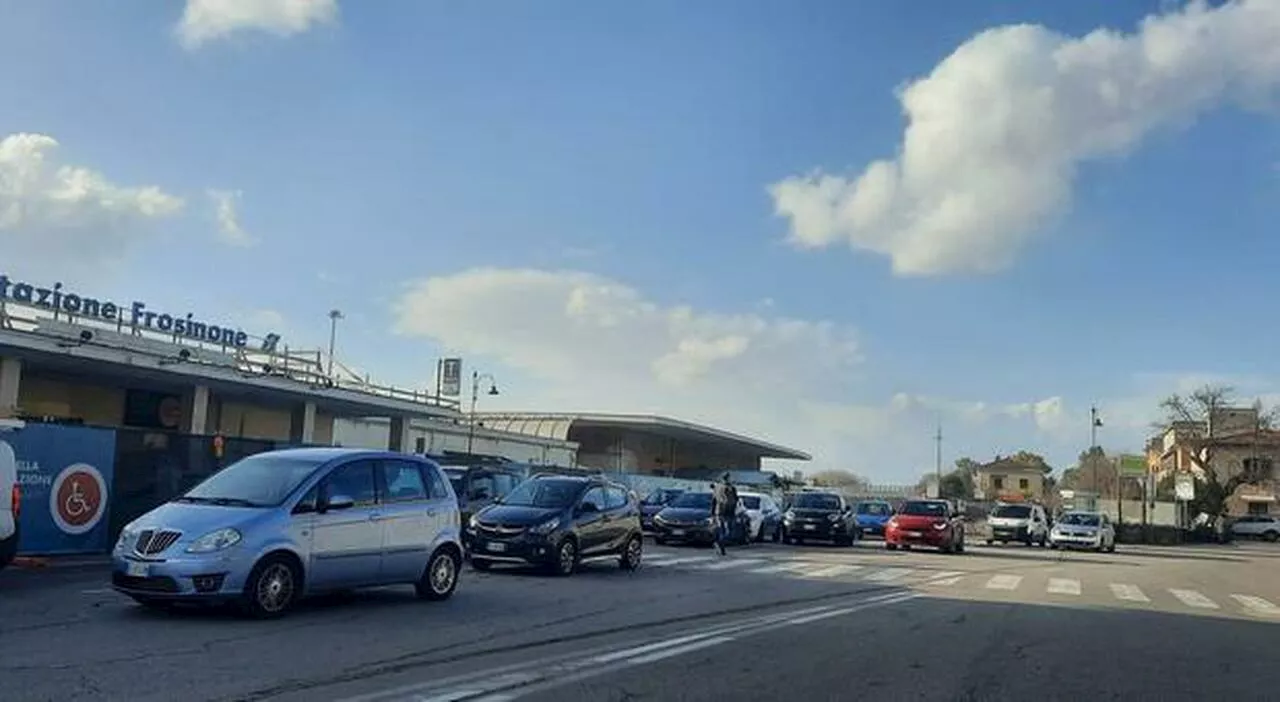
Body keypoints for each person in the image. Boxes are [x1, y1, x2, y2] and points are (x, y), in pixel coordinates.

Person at [711, 473, 739, 556]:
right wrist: (713, 513)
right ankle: (720, 547)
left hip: (730, 512)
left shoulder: (733, 488)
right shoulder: (719, 487)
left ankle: (718, 543)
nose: (731, 480)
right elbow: (714, 500)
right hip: (721, 512)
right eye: (729, 478)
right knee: (724, 531)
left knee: (729, 532)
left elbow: (735, 499)